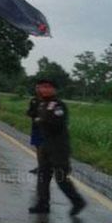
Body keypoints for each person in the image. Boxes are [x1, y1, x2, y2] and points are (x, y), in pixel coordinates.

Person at [28, 79, 86, 216]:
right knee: (43, 175)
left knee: (60, 177)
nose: (44, 90)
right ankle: (42, 204)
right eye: (42, 87)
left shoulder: (58, 105)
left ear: (54, 89)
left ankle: (77, 201)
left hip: (59, 146)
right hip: (45, 144)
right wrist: (39, 120)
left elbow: (57, 124)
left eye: (48, 87)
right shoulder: (42, 104)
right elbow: (33, 115)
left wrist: (41, 121)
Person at [27, 86, 44, 174]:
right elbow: (29, 112)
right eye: (36, 88)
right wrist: (34, 114)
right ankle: (40, 166)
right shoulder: (34, 100)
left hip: (45, 129)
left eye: (39, 88)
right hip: (35, 127)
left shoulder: (47, 101)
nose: (38, 89)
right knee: (38, 147)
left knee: (42, 147)